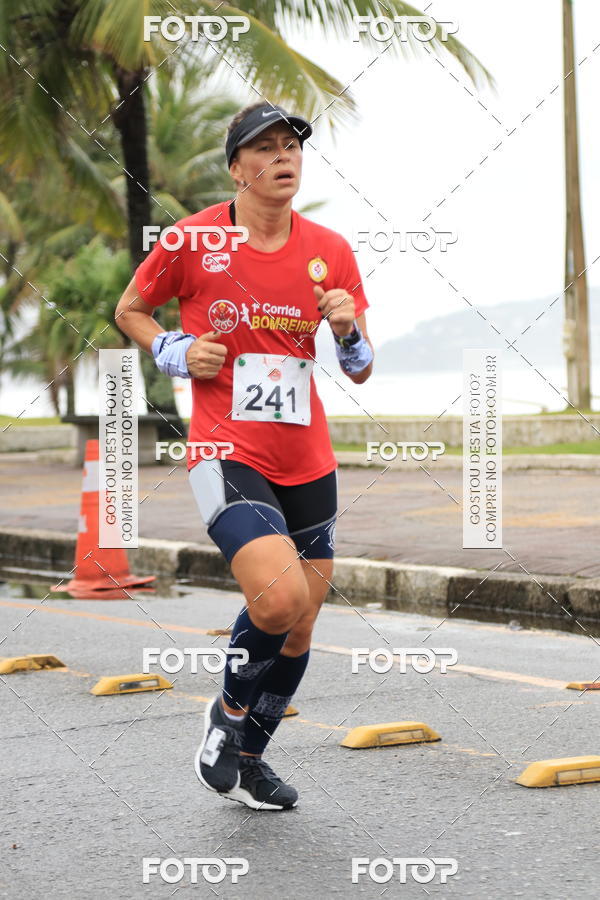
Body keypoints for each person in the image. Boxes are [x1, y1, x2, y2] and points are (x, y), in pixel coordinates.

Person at [114, 101, 374, 811]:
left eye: (291, 145)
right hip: (225, 448)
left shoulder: (329, 251)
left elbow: (359, 368)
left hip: (308, 457)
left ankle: (251, 759)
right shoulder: (192, 242)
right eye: (264, 148)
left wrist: (348, 333)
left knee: (302, 622)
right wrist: (173, 349)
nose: (282, 157)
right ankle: (225, 715)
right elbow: (130, 309)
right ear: (237, 169)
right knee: (279, 597)